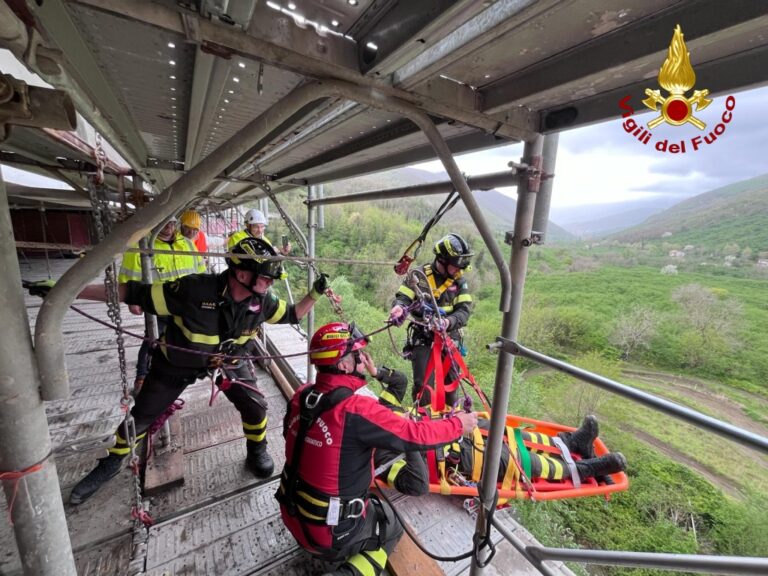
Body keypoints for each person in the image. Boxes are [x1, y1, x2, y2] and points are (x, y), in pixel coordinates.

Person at [29, 237, 331, 505]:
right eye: (266, 278)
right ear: (242, 273)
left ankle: (257, 450)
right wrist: (65, 292)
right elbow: (133, 292)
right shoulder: (193, 290)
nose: (270, 285)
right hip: (176, 363)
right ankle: (112, 462)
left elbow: (292, 314)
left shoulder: (262, 303)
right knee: (143, 415)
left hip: (229, 363)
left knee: (256, 407)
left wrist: (315, 293)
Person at [276, 321, 478, 576]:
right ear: (344, 365)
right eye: (357, 355)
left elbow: (292, 437)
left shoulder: (302, 395)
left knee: (366, 502)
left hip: (291, 512)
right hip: (328, 536)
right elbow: (415, 435)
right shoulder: (356, 410)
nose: (362, 360)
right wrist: (459, 424)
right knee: (392, 528)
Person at [369, 366, 627, 495]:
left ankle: (569, 442)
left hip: (452, 428)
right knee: (521, 462)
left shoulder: (374, 418)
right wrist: (410, 436)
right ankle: (589, 468)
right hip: (456, 460)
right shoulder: (378, 461)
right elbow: (417, 485)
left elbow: (398, 382)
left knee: (507, 432)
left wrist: (374, 371)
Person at [117, 217, 206, 392]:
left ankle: (178, 370)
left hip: (185, 303)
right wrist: (133, 300)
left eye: (171, 223)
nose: (168, 227)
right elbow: (129, 274)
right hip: (158, 302)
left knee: (184, 336)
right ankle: (142, 376)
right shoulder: (142, 245)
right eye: (163, 223)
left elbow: (200, 270)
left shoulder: (186, 244)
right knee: (152, 338)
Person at [389, 233, 474, 407]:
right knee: (423, 386)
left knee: (450, 383)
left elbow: (464, 311)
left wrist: (448, 322)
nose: (459, 271)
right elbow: (403, 298)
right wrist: (399, 307)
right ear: (442, 261)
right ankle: (422, 422)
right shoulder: (418, 276)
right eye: (456, 266)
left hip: (449, 336)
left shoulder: (459, 282)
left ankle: (452, 422)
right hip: (424, 337)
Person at [227, 208, 291, 256]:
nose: (260, 230)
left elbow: (270, 259)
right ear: (248, 226)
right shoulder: (237, 238)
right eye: (256, 227)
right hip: (243, 272)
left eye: (262, 226)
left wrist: (281, 252)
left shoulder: (265, 240)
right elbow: (252, 259)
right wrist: (272, 251)